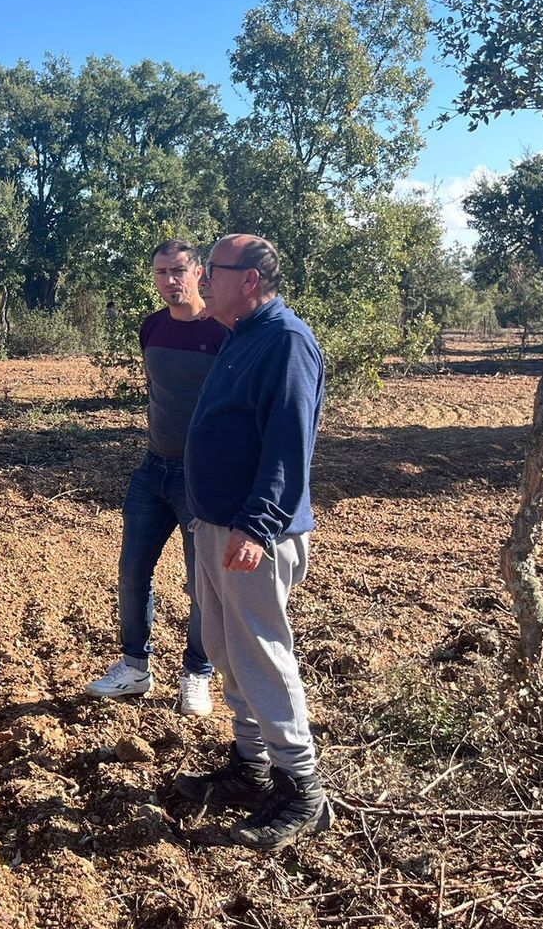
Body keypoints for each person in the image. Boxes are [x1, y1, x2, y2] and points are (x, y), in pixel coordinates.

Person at [172, 233, 331, 851]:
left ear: (250, 280)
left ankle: (303, 789)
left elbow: (290, 446)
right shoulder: (244, 334)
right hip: (218, 525)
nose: (202, 280)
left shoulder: (286, 342)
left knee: (263, 653)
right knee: (224, 646)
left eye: (213, 270)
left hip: (251, 534)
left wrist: (257, 525)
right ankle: (250, 766)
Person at [85, 240, 226, 715]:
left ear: (199, 272)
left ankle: (197, 673)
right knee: (131, 573)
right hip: (153, 469)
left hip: (201, 478)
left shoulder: (224, 329)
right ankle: (134, 667)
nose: (170, 281)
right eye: (161, 272)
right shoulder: (152, 327)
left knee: (200, 583)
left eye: (178, 271)